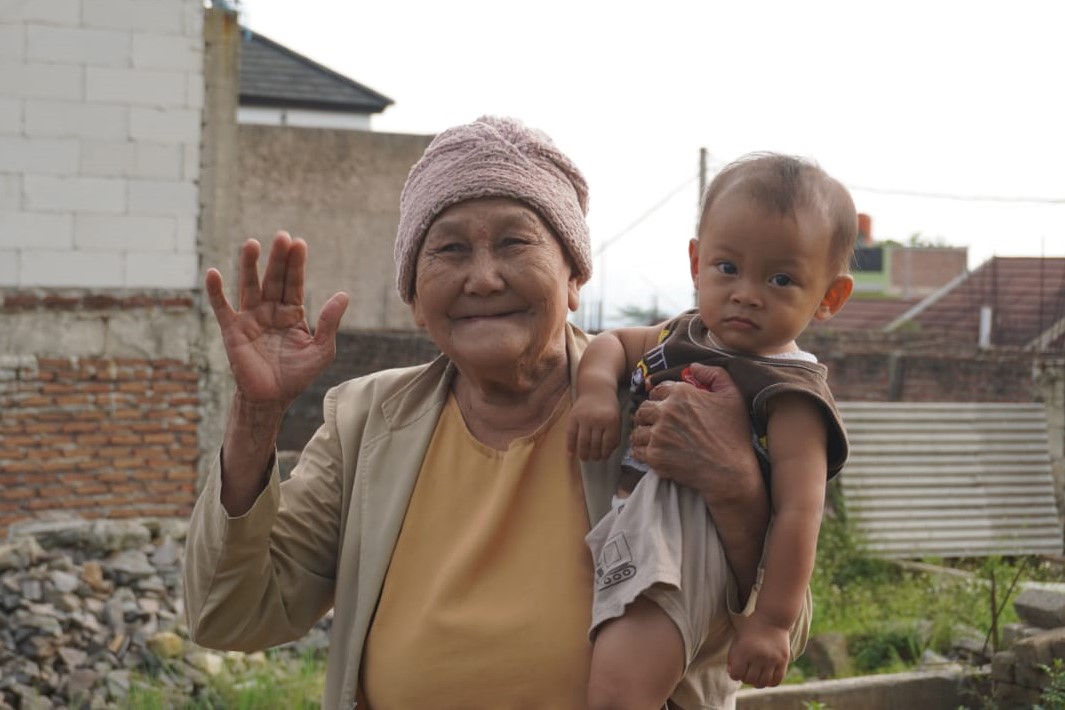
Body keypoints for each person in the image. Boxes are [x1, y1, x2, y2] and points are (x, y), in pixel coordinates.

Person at [183, 116, 793, 710]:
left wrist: (736, 485)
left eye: (514, 241)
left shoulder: (660, 406)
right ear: (416, 301)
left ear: (575, 277)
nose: (482, 277)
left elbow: (778, 631)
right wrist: (256, 416)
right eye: (448, 249)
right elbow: (229, 614)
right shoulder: (366, 421)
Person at [567, 153, 855, 704]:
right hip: (639, 527)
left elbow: (800, 511)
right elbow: (612, 344)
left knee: (617, 694)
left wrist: (772, 621)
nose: (747, 292)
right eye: (728, 268)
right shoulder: (684, 333)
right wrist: (597, 393)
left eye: (781, 278)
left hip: (690, 550)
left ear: (829, 298)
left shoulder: (790, 392)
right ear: (697, 261)